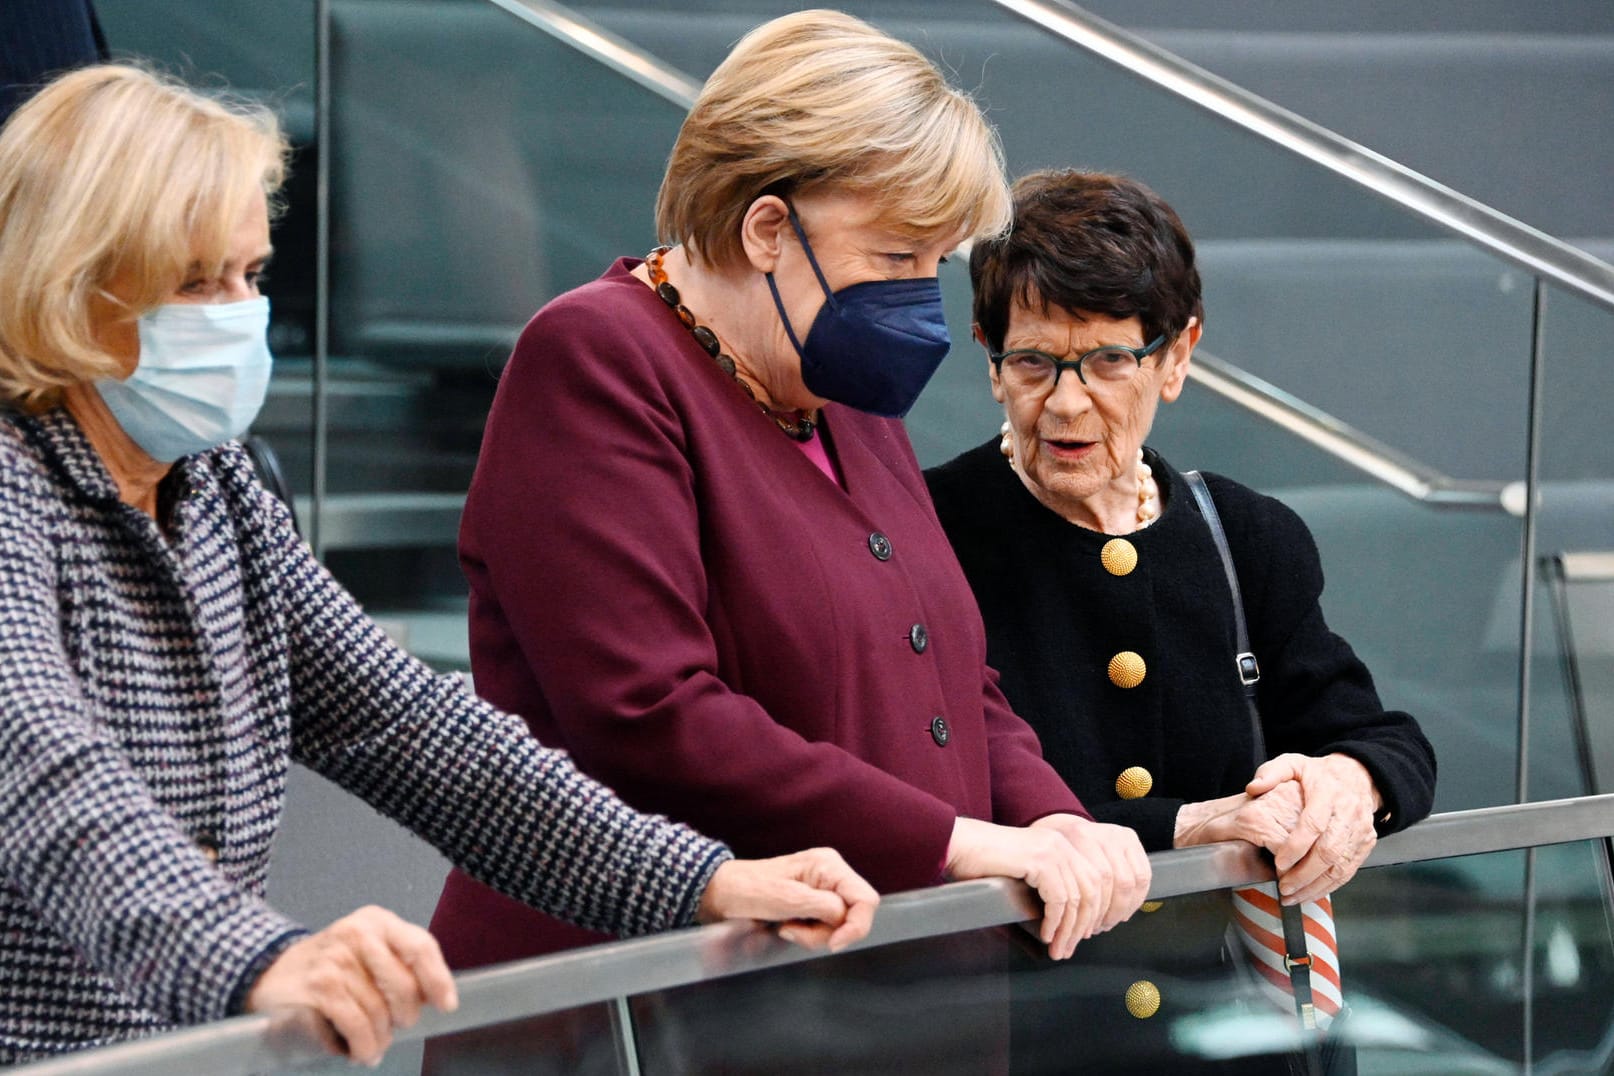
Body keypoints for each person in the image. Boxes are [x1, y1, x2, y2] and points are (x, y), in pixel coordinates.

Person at [0, 63, 883, 1067]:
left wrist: (699, 877)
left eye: (251, 274)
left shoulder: (216, 484)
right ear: (66, 285)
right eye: (196, 281)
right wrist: (257, 954)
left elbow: (414, 728)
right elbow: (37, 759)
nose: (239, 312)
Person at [428, 4, 1151, 1041]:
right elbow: (650, 713)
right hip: (650, 1007)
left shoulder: (835, 379)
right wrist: (956, 841)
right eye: (898, 255)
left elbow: (951, 672)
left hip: (885, 1003)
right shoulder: (596, 356)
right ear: (768, 227)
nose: (920, 301)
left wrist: (1052, 819)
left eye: (934, 264)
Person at [925, 168, 1438, 1071]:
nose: (1069, 402)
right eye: (1035, 361)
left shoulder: (1246, 535)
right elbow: (938, 807)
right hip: (1025, 1040)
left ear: (1178, 356)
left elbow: (1382, 739)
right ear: (988, 354)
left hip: (1236, 1045)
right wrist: (1189, 829)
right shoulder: (927, 536)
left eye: (1111, 360)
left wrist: (1347, 787)